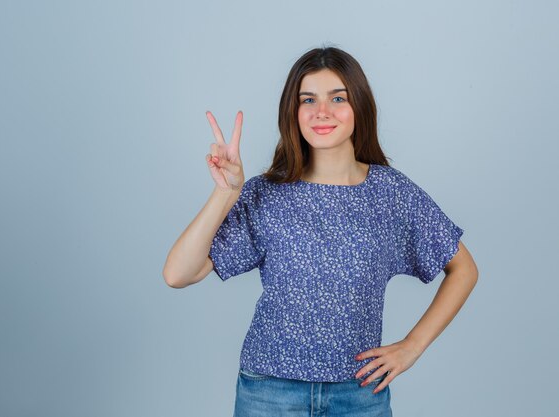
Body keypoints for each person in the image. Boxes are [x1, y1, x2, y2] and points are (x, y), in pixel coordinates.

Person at [163, 46, 478, 417]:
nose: (321, 112)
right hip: (269, 391)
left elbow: (464, 269)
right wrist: (226, 193)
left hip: (359, 393)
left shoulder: (391, 193)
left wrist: (413, 345)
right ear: (292, 112)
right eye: (308, 99)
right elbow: (178, 274)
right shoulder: (267, 193)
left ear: (358, 106)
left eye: (338, 98)